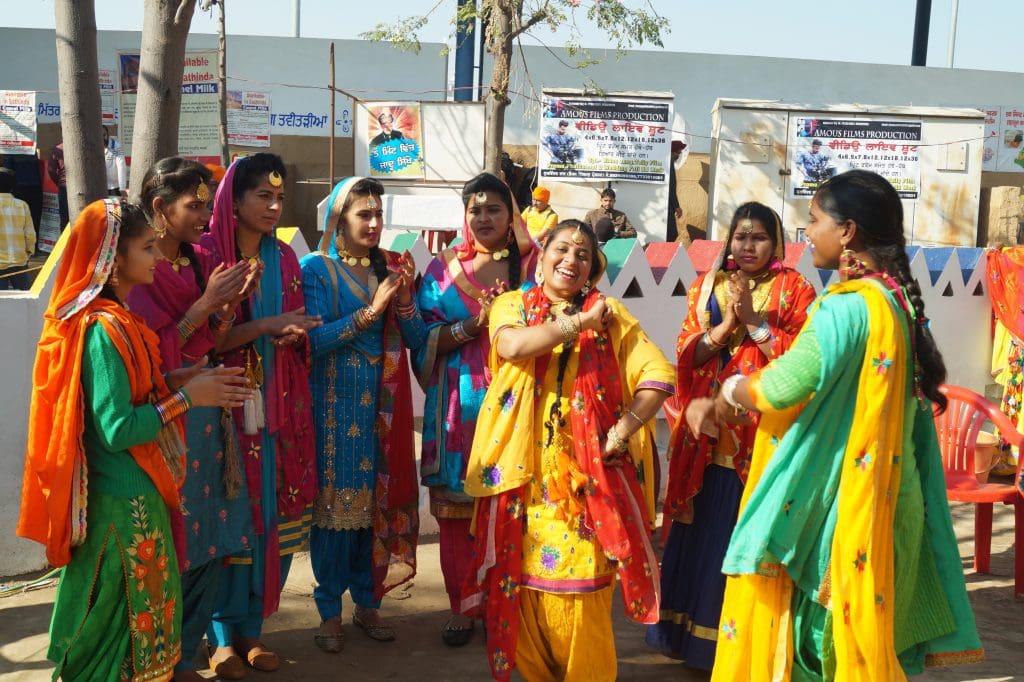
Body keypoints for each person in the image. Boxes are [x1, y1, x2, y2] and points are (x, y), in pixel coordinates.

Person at [685, 170, 983, 679]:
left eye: (815, 221)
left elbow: (779, 387)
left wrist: (727, 393)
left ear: (847, 232)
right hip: (893, 497)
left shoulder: (847, 306)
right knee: (868, 641)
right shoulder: (896, 299)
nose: (807, 234)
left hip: (840, 508)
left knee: (820, 653)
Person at [17, 198, 252, 681]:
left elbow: (138, 392)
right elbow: (117, 428)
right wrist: (187, 401)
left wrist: (180, 381)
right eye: (147, 247)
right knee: (120, 638)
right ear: (113, 257)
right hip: (122, 511)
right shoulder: (104, 329)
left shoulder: (120, 320)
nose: (158, 257)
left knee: (139, 633)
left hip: (138, 499)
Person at [461, 219, 674, 681]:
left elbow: (658, 374)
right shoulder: (511, 305)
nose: (571, 260)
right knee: (522, 597)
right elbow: (514, 345)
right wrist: (577, 323)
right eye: (561, 249)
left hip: (585, 487)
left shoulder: (609, 314)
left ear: (593, 268)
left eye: (582, 255)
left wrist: (622, 430)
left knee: (581, 598)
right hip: (522, 482)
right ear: (541, 260)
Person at [645, 202, 816, 670]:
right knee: (700, 529)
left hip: (760, 429)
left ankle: (733, 646)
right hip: (706, 430)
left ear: (776, 243)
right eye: (740, 237)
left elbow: (802, 360)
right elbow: (687, 355)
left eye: (758, 237)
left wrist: (755, 322)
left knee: (743, 530)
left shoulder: (795, 290)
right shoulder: (706, 287)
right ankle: (687, 637)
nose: (747, 246)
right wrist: (726, 326)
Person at [128, 158, 261, 682]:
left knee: (213, 537)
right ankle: (160, 658)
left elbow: (216, 344)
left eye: (208, 204)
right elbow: (151, 360)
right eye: (194, 205)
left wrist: (227, 305)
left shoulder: (200, 260)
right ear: (159, 208)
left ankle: (186, 651)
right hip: (168, 421)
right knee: (173, 541)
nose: (206, 215)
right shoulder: (137, 271)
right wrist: (206, 306)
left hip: (209, 418)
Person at [199, 153, 322, 677]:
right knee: (232, 517)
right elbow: (207, 340)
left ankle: (253, 631)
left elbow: (291, 329)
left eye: (279, 197)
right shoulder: (208, 258)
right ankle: (219, 637)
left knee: (278, 516)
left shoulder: (285, 260)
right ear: (235, 199)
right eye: (262, 197)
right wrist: (268, 324)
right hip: (225, 409)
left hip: (279, 408)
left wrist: (294, 334)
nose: (274, 207)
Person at [412, 171, 539, 647]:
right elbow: (421, 337)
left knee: (512, 506)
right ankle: (462, 605)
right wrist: (472, 325)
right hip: (455, 408)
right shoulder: (444, 269)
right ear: (464, 216)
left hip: (518, 402)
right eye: (475, 209)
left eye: (494, 209)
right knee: (456, 515)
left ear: (511, 216)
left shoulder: (535, 266)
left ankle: (506, 603)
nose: (483, 217)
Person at [300, 176, 425, 653]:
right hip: (333, 409)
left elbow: (415, 342)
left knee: (376, 508)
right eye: (363, 215)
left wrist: (406, 298)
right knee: (335, 512)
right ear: (339, 218)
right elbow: (312, 341)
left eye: (378, 214)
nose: (374, 224)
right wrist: (370, 314)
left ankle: (368, 602)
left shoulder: (390, 269)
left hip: (385, 414)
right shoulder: (318, 270)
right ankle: (329, 610)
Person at [0, 167, 35, 290]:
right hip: (19, 260)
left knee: (2, 305)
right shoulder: (22, 205)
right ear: (12, 187)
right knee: (25, 300)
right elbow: (30, 234)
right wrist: (29, 252)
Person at [47, 139, 69, 229]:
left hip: (64, 187)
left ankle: (65, 242)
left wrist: (58, 182)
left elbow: (51, 170)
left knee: (64, 217)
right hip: (82, 186)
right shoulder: (84, 147)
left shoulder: (58, 149)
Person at [667, 140, 685, 242]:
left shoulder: (669, 163)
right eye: (678, 152)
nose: (679, 155)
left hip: (668, 206)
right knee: (672, 234)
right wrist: (677, 207)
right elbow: (671, 188)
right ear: (672, 152)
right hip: (668, 207)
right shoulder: (669, 164)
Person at [103, 126, 128, 198]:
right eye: (99, 136)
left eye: (104, 135)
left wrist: (122, 188)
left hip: (114, 187)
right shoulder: (94, 146)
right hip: (99, 186)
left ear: (108, 134)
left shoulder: (116, 146)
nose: (102, 138)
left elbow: (121, 167)